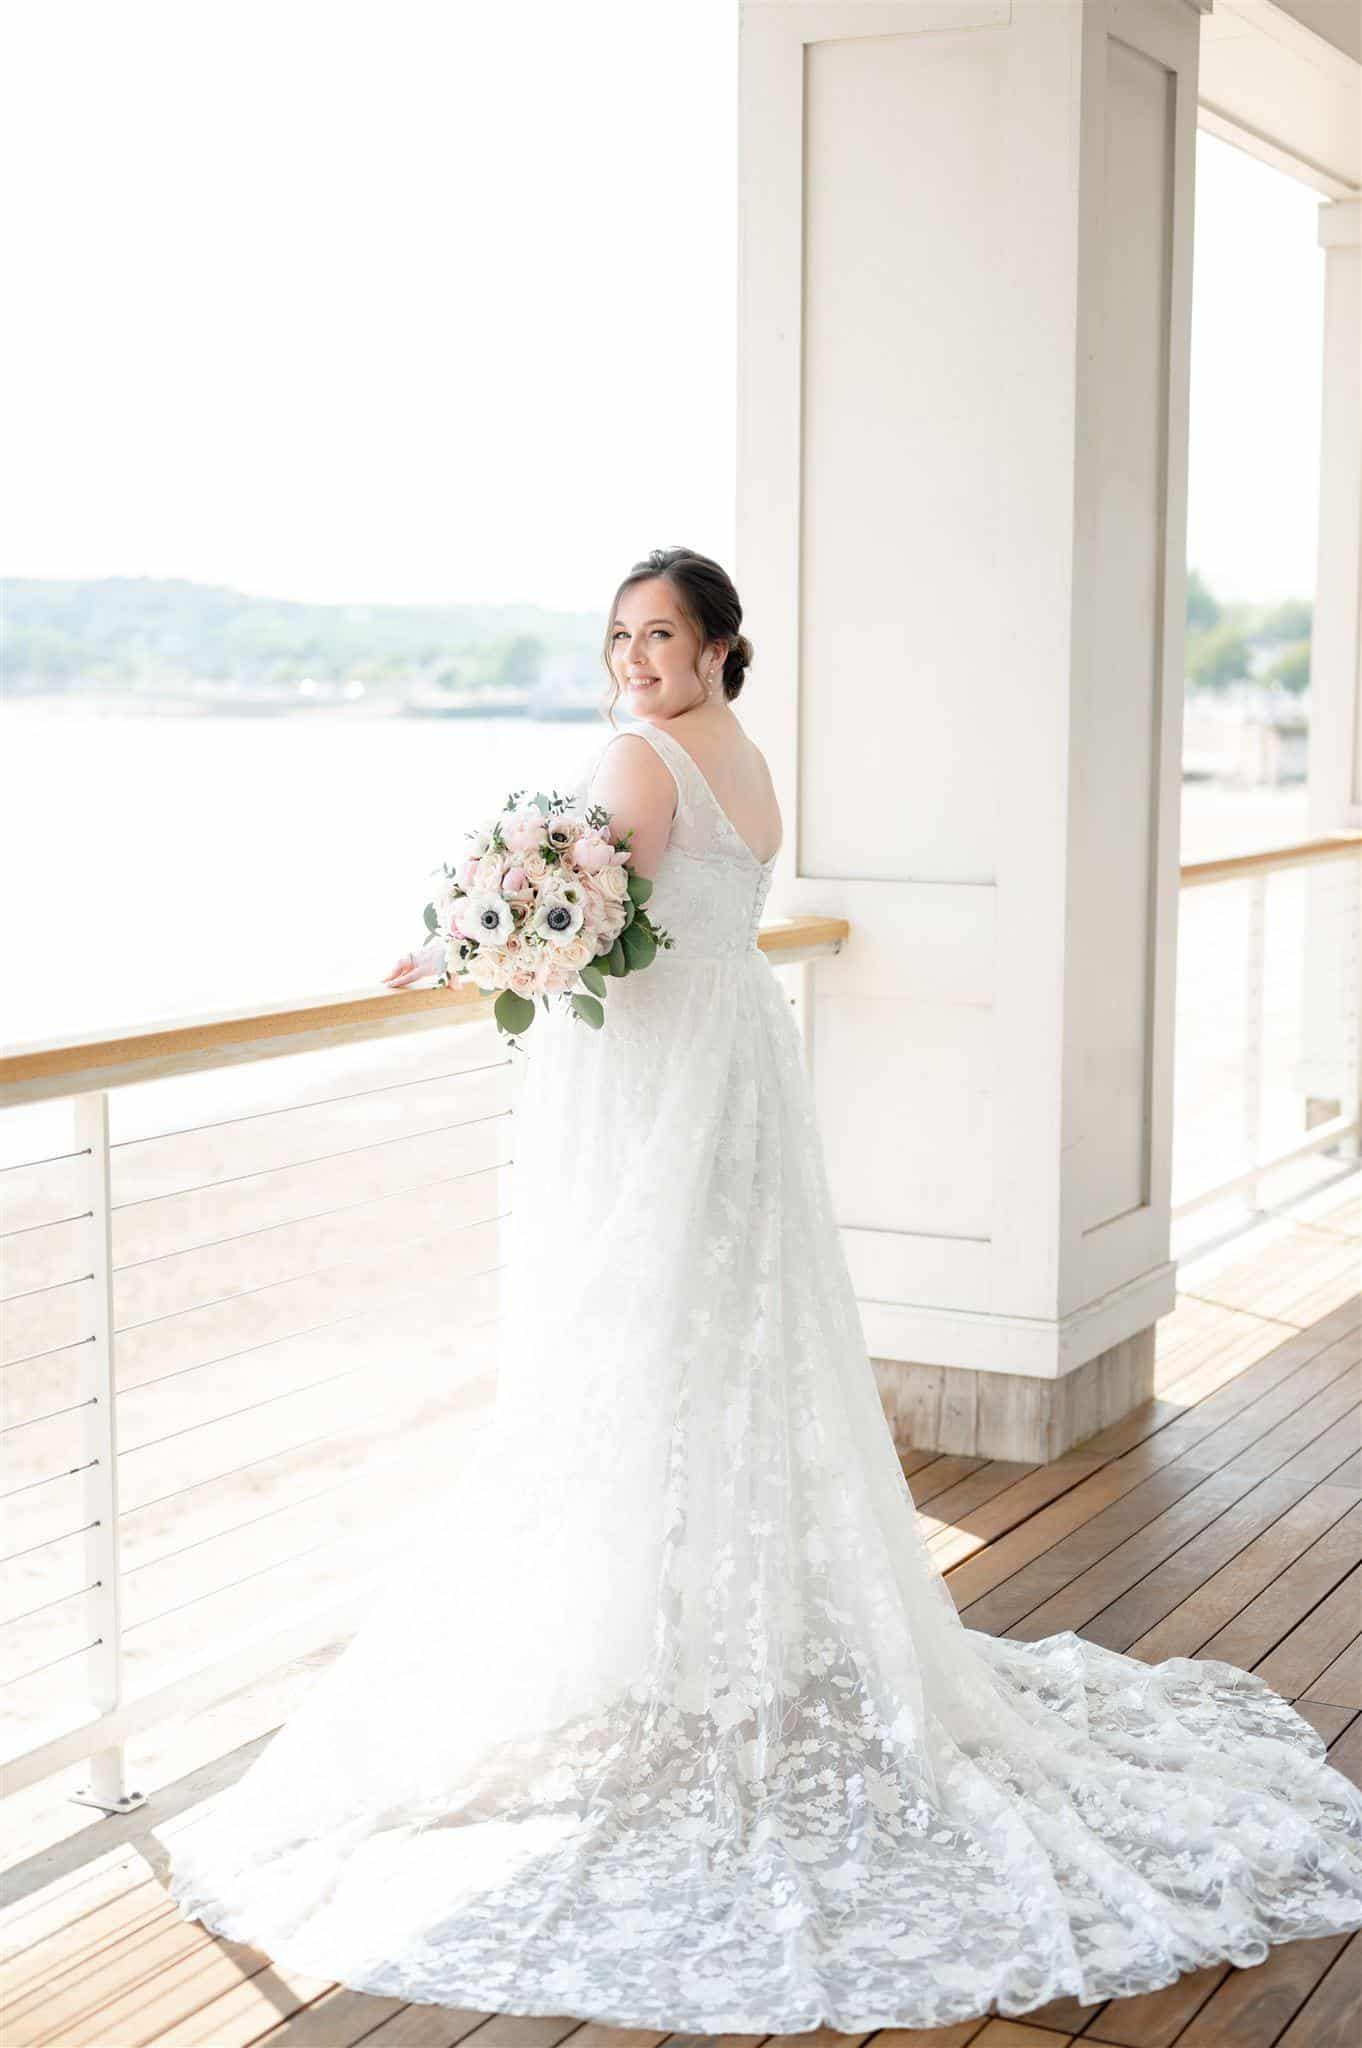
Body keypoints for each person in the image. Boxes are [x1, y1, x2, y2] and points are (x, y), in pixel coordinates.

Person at [163, 547, 1362, 2035]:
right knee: (707, 1350)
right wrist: (517, 918)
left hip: (654, 1088)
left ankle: (643, 1646)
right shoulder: (745, 754)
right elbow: (640, 910)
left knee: (629, 1352)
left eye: (659, 634)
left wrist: (475, 936)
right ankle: (665, 1631)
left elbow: (577, 917)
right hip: (727, 1067)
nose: (633, 660)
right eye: (618, 638)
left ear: (721, 644)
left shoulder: (643, 755)